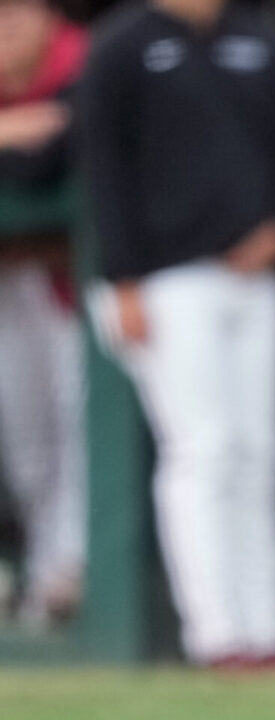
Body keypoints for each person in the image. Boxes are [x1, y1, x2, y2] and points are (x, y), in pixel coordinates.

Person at [75, 0, 275, 668]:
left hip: (255, 274)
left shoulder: (263, 43)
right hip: (165, 279)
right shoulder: (122, 44)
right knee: (202, 449)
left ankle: (266, 628)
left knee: (259, 451)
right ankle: (215, 633)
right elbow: (100, 165)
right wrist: (122, 278)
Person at [0, 0, 86, 631]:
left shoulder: (82, 61)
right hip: (13, 284)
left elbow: (47, 163)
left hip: (74, 283)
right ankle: (45, 571)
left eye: (17, 13)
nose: (8, 28)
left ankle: (70, 573)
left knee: (78, 431)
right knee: (27, 444)